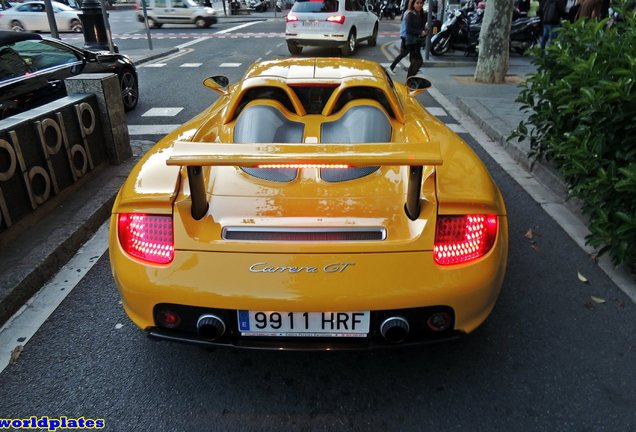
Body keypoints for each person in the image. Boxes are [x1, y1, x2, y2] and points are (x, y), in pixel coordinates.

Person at [404, 0, 427, 78]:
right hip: (411, 41)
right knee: (418, 61)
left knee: (414, 62)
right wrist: (420, 32)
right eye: (417, 3)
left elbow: (422, 26)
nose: (419, 5)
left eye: (421, 3)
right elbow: (409, 29)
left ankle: (410, 81)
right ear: (413, 4)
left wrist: (425, 30)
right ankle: (409, 80)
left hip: (417, 41)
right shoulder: (409, 15)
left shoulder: (421, 14)